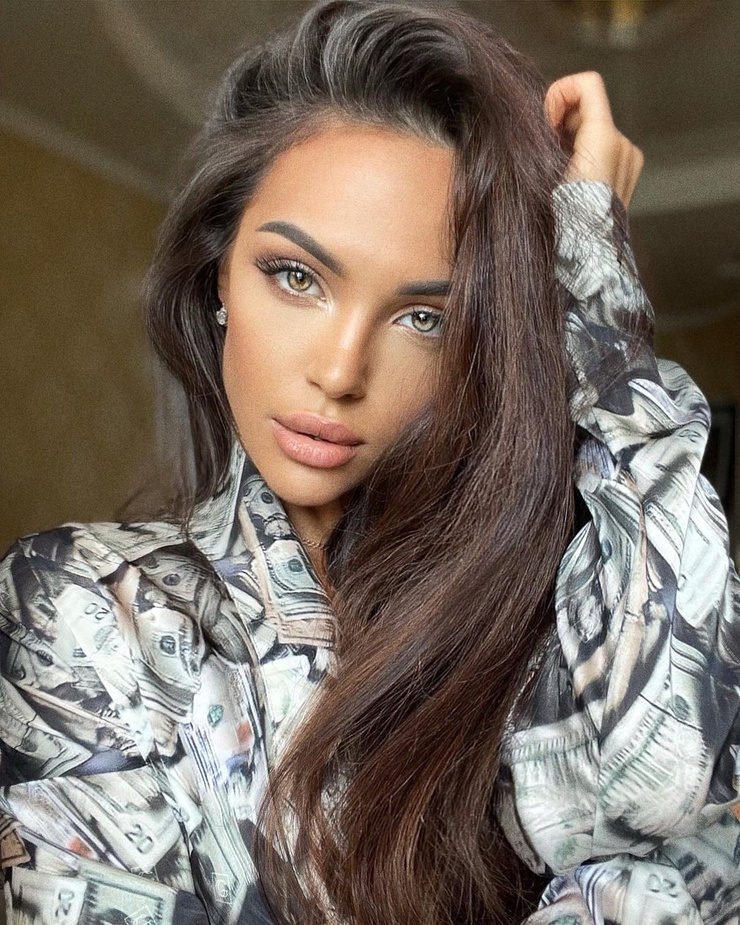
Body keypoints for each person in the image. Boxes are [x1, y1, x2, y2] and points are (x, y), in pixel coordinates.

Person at [0, 2, 737, 924]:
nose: (342, 371)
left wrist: (598, 287)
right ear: (220, 273)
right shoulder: (87, 605)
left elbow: (669, 792)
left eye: (424, 319)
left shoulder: (521, 624)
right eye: (296, 276)